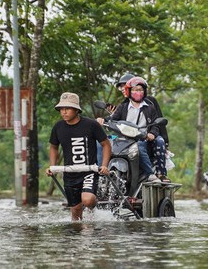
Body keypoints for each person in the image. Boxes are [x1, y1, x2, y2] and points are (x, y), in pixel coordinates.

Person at [46, 92, 111, 221]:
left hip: (89, 172)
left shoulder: (91, 125)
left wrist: (104, 165)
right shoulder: (58, 127)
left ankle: (94, 207)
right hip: (70, 174)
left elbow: (106, 145)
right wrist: (52, 167)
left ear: (76, 110)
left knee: (87, 200)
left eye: (67, 108)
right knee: (75, 214)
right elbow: (53, 146)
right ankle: (79, 239)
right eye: (61, 109)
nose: (64, 112)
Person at [97, 77, 162, 183]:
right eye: (135, 90)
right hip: (121, 137)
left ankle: (149, 174)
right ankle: (100, 171)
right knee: (100, 143)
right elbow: (112, 119)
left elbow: (155, 125)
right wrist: (102, 120)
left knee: (140, 147)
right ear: (129, 91)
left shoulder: (150, 108)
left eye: (140, 90)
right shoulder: (123, 107)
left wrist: (152, 134)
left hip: (140, 138)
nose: (138, 92)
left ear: (144, 92)